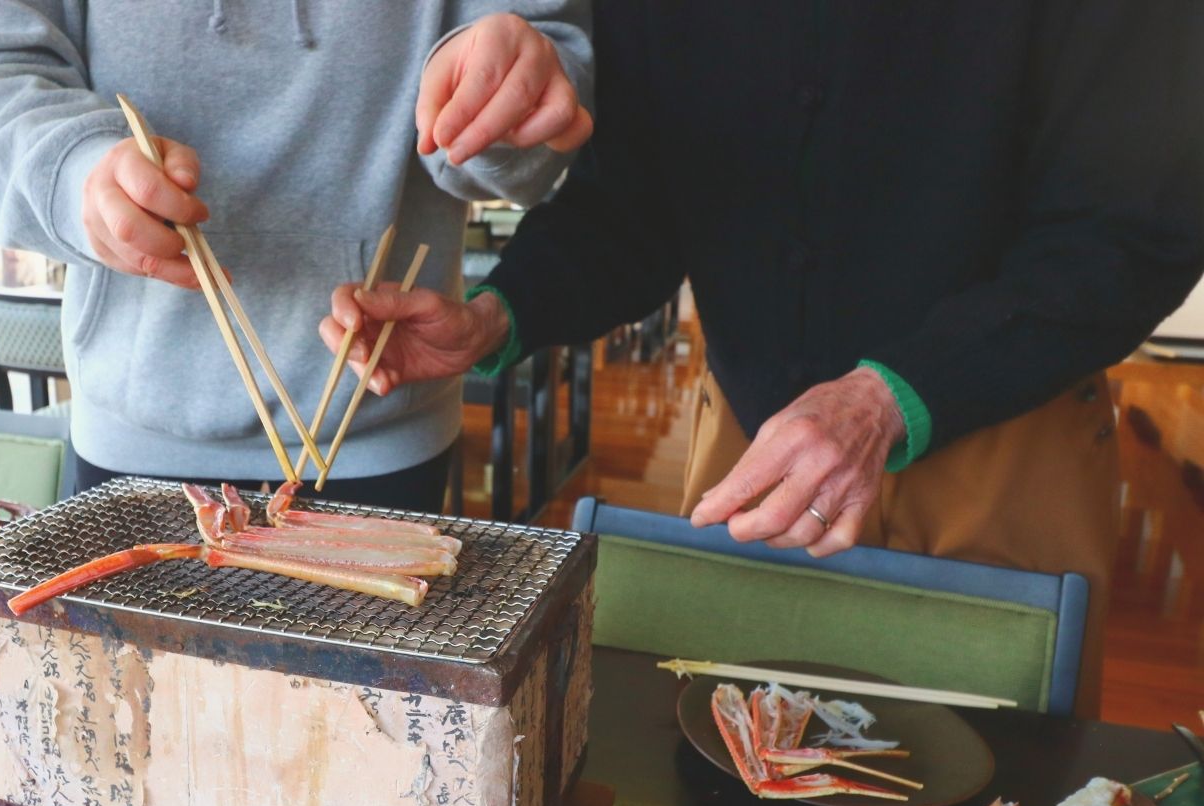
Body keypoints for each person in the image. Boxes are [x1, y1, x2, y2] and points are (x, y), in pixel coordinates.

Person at [319, 1, 1204, 715]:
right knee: (718, 790)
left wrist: (883, 401)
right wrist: (494, 316)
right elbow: (629, 206)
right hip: (750, 444)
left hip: (1004, 447)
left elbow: (1131, 224)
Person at [0, 2, 593, 512]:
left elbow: (541, 84)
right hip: (130, 440)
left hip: (382, 423)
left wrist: (506, 99)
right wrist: (75, 172)